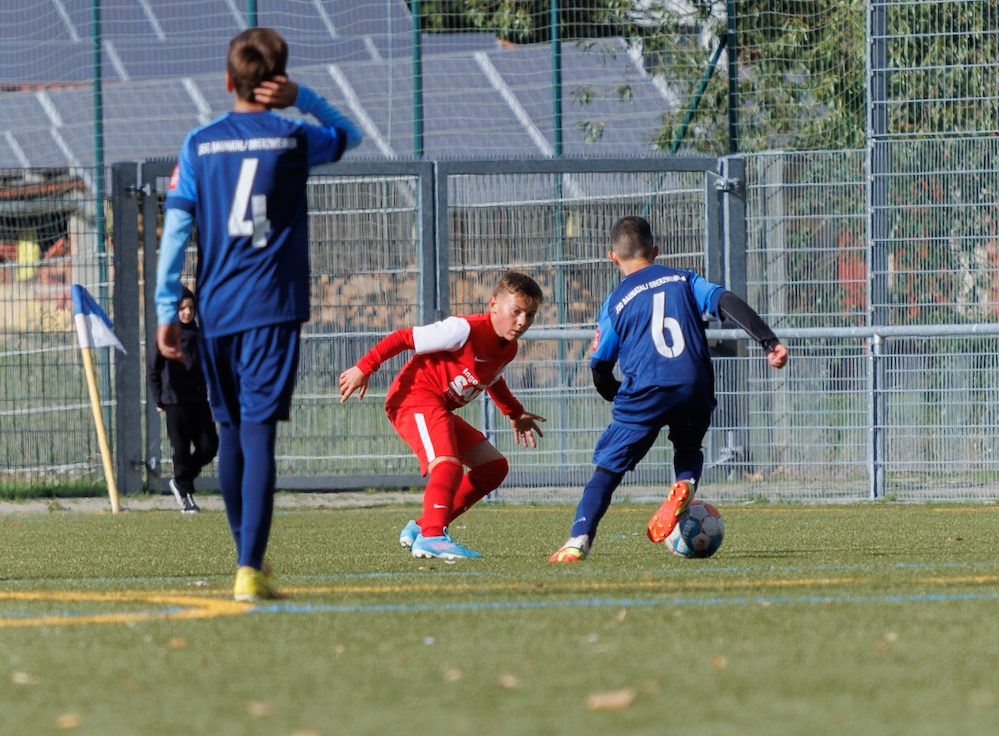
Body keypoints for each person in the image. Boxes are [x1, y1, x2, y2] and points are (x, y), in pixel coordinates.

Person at [154, 28, 363, 601]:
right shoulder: (293, 137)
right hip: (272, 307)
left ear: (228, 81)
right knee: (258, 432)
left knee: (229, 431)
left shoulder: (199, 143)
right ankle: (250, 566)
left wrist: (167, 306)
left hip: (217, 308)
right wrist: (303, 98)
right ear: (277, 80)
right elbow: (350, 135)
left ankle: (247, 559)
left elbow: (175, 231)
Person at [549, 216, 788, 562]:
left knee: (607, 471)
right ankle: (686, 483)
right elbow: (726, 301)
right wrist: (769, 342)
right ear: (656, 251)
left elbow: (600, 369)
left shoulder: (616, 302)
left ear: (612, 257)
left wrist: (617, 394)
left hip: (644, 389)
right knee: (688, 446)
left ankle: (578, 540)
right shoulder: (685, 279)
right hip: (693, 382)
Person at [338, 273, 546, 560]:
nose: (522, 321)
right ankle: (433, 537)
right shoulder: (463, 329)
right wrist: (365, 367)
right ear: (494, 305)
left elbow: (492, 379)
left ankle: (424, 526)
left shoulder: (508, 348)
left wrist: (515, 412)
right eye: (516, 311)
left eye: (530, 315)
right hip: (414, 398)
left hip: (438, 408)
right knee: (447, 464)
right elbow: (404, 338)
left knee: (493, 467)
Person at [146, 288, 218, 513]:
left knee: (209, 446)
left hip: (199, 399)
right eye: (182, 308)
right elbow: (153, 369)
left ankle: (180, 481)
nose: (187, 312)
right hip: (175, 401)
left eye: (191, 308)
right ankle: (186, 498)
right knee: (181, 449)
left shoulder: (200, 335)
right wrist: (159, 398)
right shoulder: (167, 335)